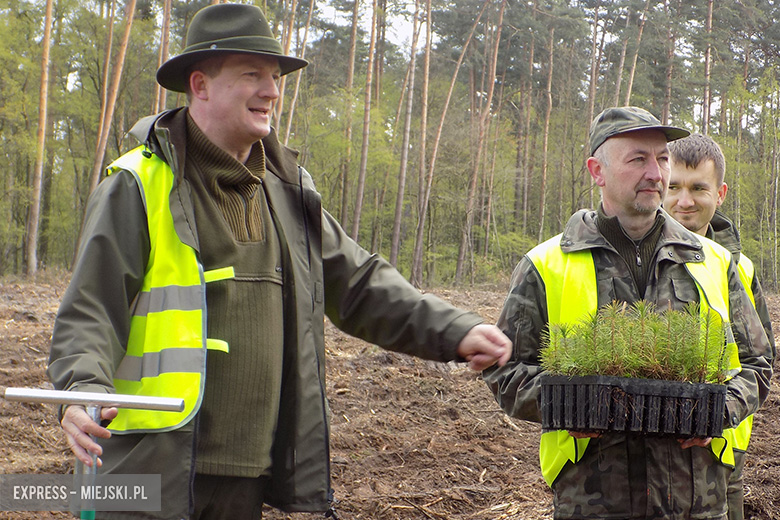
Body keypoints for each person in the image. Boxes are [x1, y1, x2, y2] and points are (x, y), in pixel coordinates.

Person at [47, 4, 511, 519]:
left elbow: (359, 283)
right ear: (200, 85)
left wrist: (456, 330)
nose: (271, 90)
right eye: (252, 75)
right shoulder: (137, 183)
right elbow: (92, 306)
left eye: (275, 77)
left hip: (248, 473)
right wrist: (80, 390)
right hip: (148, 464)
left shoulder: (288, 192)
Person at [482, 106, 773, 520]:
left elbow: (757, 363)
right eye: (638, 159)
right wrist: (566, 405)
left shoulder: (714, 261)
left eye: (662, 158)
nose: (656, 173)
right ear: (597, 170)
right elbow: (504, 369)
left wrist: (720, 410)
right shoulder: (544, 265)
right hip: (593, 503)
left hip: (697, 502)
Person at [666, 133, 775, 520]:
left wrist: (719, 414)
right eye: (673, 186)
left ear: (721, 192)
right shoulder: (634, 261)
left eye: (698, 188)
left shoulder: (739, 268)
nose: (684, 201)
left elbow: (761, 362)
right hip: (651, 456)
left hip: (724, 451)